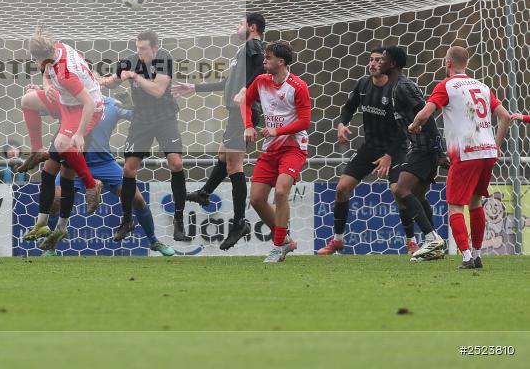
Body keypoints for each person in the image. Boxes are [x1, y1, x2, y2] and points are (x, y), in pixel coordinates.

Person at [24, 96, 175, 256]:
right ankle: (51, 248)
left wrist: (153, 100)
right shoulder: (67, 100)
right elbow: (38, 109)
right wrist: (35, 94)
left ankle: (153, 241)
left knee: (136, 198)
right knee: (55, 199)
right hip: (72, 163)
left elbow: (137, 115)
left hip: (104, 163)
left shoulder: (112, 104)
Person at [408, 46, 511, 268]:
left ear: (447, 63)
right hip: (487, 152)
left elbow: (425, 113)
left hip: (467, 153)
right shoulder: (482, 86)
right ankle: (476, 254)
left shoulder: (447, 85)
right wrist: (497, 145)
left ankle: (466, 258)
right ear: (467, 63)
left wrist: (414, 124)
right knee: (475, 203)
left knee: (455, 206)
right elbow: (505, 116)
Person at [174, 13, 266, 249]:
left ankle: (239, 223)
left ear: (252, 27)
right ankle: (205, 192)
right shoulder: (242, 50)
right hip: (236, 113)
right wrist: (194, 87)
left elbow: (261, 70)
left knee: (235, 166)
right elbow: (228, 83)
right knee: (224, 157)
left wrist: (247, 89)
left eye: (240, 23)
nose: (237, 27)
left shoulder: (254, 45)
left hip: (244, 111)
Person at [317, 48, 412, 254]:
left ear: (389, 64)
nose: (373, 63)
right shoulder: (363, 84)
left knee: (398, 192)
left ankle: (412, 242)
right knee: (341, 188)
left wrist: (388, 156)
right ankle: (338, 241)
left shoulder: (398, 89)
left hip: (395, 149)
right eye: (370, 59)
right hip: (370, 147)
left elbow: (405, 129)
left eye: (378, 60)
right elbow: (349, 107)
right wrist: (342, 124)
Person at [100, 30, 189, 242]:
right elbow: (113, 81)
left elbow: (158, 90)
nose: (139, 52)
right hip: (141, 120)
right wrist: (103, 80)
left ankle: (179, 222)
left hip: (165, 117)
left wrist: (136, 76)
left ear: (155, 48)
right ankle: (127, 220)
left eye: (144, 48)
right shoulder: (130, 61)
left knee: (176, 163)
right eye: (137, 48)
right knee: (129, 168)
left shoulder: (164, 58)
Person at [18, 27, 104, 213]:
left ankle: (92, 185)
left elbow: (89, 103)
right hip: (66, 100)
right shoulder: (58, 47)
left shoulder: (66, 76)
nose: (34, 61)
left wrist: (80, 133)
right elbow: (47, 72)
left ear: (42, 56)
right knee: (27, 101)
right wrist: (47, 85)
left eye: (35, 58)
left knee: (62, 143)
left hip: (86, 108)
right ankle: (37, 150)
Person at [242, 42, 311, 263]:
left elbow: (305, 121)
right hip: (270, 149)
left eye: (268, 58)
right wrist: (248, 125)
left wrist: (277, 130)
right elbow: (246, 101)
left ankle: (278, 245)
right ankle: (287, 240)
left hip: (293, 147)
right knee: (256, 199)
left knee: (281, 192)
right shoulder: (261, 81)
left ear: (280, 62)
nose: (264, 61)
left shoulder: (298, 86)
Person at [379, 46, 447, 262]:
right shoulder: (394, 87)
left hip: (424, 148)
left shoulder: (404, 86)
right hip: (419, 147)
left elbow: (428, 116)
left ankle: (432, 239)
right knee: (416, 195)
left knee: (401, 190)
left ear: (394, 64)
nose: (379, 62)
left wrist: (439, 151)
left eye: (384, 60)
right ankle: (435, 246)